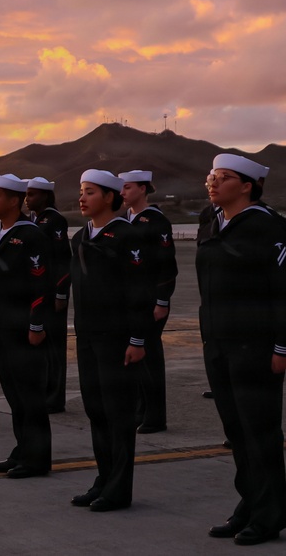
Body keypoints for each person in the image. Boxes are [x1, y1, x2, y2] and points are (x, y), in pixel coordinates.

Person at [198, 154, 286, 546]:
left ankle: (270, 515)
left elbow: (284, 289)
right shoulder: (213, 221)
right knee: (236, 432)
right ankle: (249, 504)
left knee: (261, 433)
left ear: (247, 186)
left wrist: (282, 344)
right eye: (211, 176)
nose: (213, 183)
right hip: (218, 343)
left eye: (223, 178)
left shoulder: (267, 225)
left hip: (255, 345)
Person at [69, 169, 149, 512]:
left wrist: (137, 338)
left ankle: (119, 489)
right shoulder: (80, 238)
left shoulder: (128, 236)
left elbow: (140, 291)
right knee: (96, 411)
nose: (82, 197)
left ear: (109, 196)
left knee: (118, 414)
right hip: (87, 335)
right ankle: (103, 480)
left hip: (118, 338)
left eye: (90, 192)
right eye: (81, 191)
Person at [0, 173, 52, 479]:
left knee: (30, 394)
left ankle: (37, 457)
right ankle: (22, 450)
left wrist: (37, 324)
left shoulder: (31, 234)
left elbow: (41, 283)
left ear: (14, 200)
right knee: (13, 393)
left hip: (25, 326)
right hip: (2, 323)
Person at [119, 169, 177, 434]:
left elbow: (167, 265)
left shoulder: (155, 221)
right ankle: (140, 410)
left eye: (128, 187)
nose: (123, 193)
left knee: (150, 356)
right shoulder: (126, 220)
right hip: (133, 299)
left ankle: (155, 416)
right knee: (136, 357)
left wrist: (162, 300)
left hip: (151, 299)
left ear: (143, 189)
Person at [25, 176, 71, 414]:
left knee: (53, 346)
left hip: (53, 293)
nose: (26, 198)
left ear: (45, 195)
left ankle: (55, 397)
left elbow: (64, 258)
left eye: (32, 194)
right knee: (40, 346)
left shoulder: (55, 220)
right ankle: (44, 392)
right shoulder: (34, 221)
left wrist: (62, 293)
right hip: (39, 293)